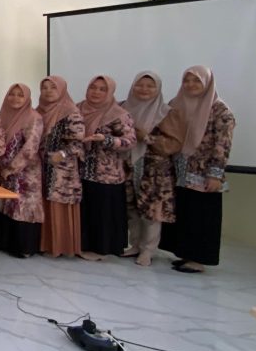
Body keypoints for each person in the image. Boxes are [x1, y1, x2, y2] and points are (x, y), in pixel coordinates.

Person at [160, 66, 235, 274]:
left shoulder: (220, 110)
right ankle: (185, 254)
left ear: (207, 83)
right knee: (184, 212)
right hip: (178, 170)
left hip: (203, 173)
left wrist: (215, 174)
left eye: (196, 81)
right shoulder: (176, 104)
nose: (190, 85)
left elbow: (223, 144)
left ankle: (198, 259)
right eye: (187, 80)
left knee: (201, 215)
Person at [121, 72, 181, 266]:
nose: (144, 89)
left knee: (152, 212)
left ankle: (148, 250)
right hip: (127, 165)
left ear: (158, 89)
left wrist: (146, 137)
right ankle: (135, 245)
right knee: (131, 209)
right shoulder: (123, 108)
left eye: (150, 86)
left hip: (154, 171)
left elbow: (173, 144)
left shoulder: (166, 112)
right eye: (140, 85)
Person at [0, 83, 43, 258]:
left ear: (27, 98)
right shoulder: (1, 117)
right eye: (12, 94)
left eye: (20, 95)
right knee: (7, 206)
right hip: (3, 171)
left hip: (26, 173)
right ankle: (6, 243)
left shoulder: (33, 118)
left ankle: (24, 248)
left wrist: (12, 168)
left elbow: (30, 147)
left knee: (23, 207)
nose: (15, 98)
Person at [78, 75, 136, 260]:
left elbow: (130, 142)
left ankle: (101, 249)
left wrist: (107, 140)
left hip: (107, 174)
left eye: (102, 89)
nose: (96, 92)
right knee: (85, 210)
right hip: (80, 171)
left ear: (110, 92)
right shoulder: (78, 109)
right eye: (93, 87)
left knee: (102, 212)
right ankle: (83, 245)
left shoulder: (118, 114)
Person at [36, 76, 85, 258]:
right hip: (41, 165)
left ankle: (61, 247)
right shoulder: (38, 111)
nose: (48, 91)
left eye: (53, 87)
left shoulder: (71, 112)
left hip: (62, 169)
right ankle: (44, 244)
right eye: (45, 87)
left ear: (62, 90)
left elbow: (78, 143)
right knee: (44, 203)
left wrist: (62, 154)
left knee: (58, 205)